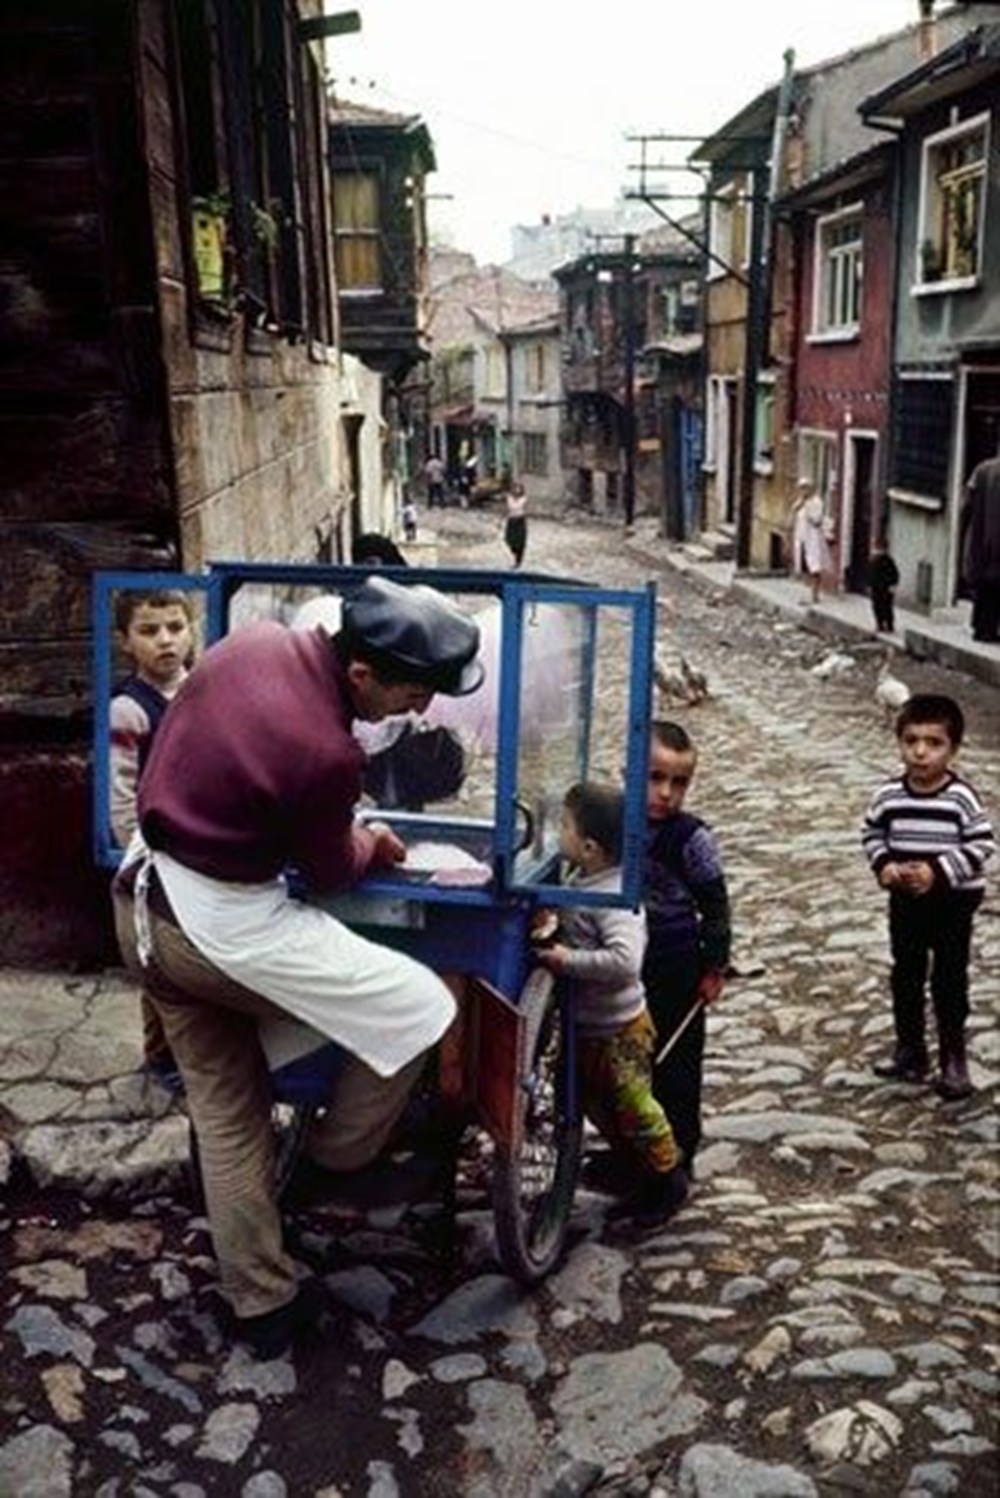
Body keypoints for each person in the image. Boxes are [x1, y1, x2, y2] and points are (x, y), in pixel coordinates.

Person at [112, 575, 485, 1357]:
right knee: (418, 1004)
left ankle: (263, 1303)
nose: (418, 711)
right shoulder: (325, 751)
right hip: (219, 930)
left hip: (142, 906)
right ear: (360, 675)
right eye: (413, 692)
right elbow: (329, 872)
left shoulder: (249, 644)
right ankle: (338, 1159)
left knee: (226, 1108)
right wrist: (370, 842)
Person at [535, 782, 689, 1229]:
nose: (557, 832)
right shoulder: (583, 880)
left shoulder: (615, 901)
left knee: (635, 1106)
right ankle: (633, 1169)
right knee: (603, 1109)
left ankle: (666, 1177)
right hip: (589, 1028)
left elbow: (625, 962)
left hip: (619, 1029)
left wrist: (568, 961)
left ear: (589, 846)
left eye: (563, 825)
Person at [862, 694, 995, 1101]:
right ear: (899, 742)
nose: (920, 752)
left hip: (953, 903)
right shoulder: (889, 795)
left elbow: (982, 844)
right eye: (911, 740)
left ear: (952, 749)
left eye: (933, 743)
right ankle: (911, 1049)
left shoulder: (960, 798)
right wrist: (883, 865)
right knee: (906, 973)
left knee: (949, 978)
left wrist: (937, 871)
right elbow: (872, 833)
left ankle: (953, 1057)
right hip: (906, 902)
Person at [110, 589, 197, 1090]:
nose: (165, 641)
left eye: (174, 627)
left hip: (198, 845)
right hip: (152, 851)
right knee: (154, 957)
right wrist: (134, 855)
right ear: (126, 642)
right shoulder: (129, 709)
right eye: (149, 631)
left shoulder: (203, 690)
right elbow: (121, 792)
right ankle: (160, 1056)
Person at [642, 720, 731, 1180]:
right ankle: (637, 1149)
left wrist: (714, 966)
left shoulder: (691, 838)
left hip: (676, 966)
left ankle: (677, 1160)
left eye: (679, 783)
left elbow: (715, 904)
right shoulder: (615, 826)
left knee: (676, 1068)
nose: (665, 793)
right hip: (627, 967)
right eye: (655, 778)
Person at [960, 454, 1000, 643]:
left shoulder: (981, 470)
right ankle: (988, 630)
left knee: (984, 588)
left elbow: (965, 506)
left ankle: (981, 629)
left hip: (980, 540)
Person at [790, 477, 832, 605]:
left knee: (815, 567)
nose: (802, 491)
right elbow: (793, 511)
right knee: (804, 567)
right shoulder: (800, 502)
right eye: (800, 488)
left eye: (805, 488)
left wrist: (807, 508)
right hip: (802, 538)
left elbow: (817, 520)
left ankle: (815, 594)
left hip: (813, 539)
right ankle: (807, 593)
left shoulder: (817, 502)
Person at [868, 534, 900, 634]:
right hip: (876, 588)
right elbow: (870, 574)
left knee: (886, 607)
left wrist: (893, 585)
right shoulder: (873, 561)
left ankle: (889, 625)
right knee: (877, 606)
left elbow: (895, 574)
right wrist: (870, 585)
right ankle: (880, 624)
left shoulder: (888, 561)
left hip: (885, 588)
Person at [503, 481, 528, 568]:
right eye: (515, 488)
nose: (517, 490)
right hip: (511, 520)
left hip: (519, 521)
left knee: (520, 542)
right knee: (509, 539)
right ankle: (514, 553)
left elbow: (518, 507)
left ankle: (518, 561)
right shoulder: (509, 498)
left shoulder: (523, 499)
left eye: (519, 488)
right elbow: (509, 508)